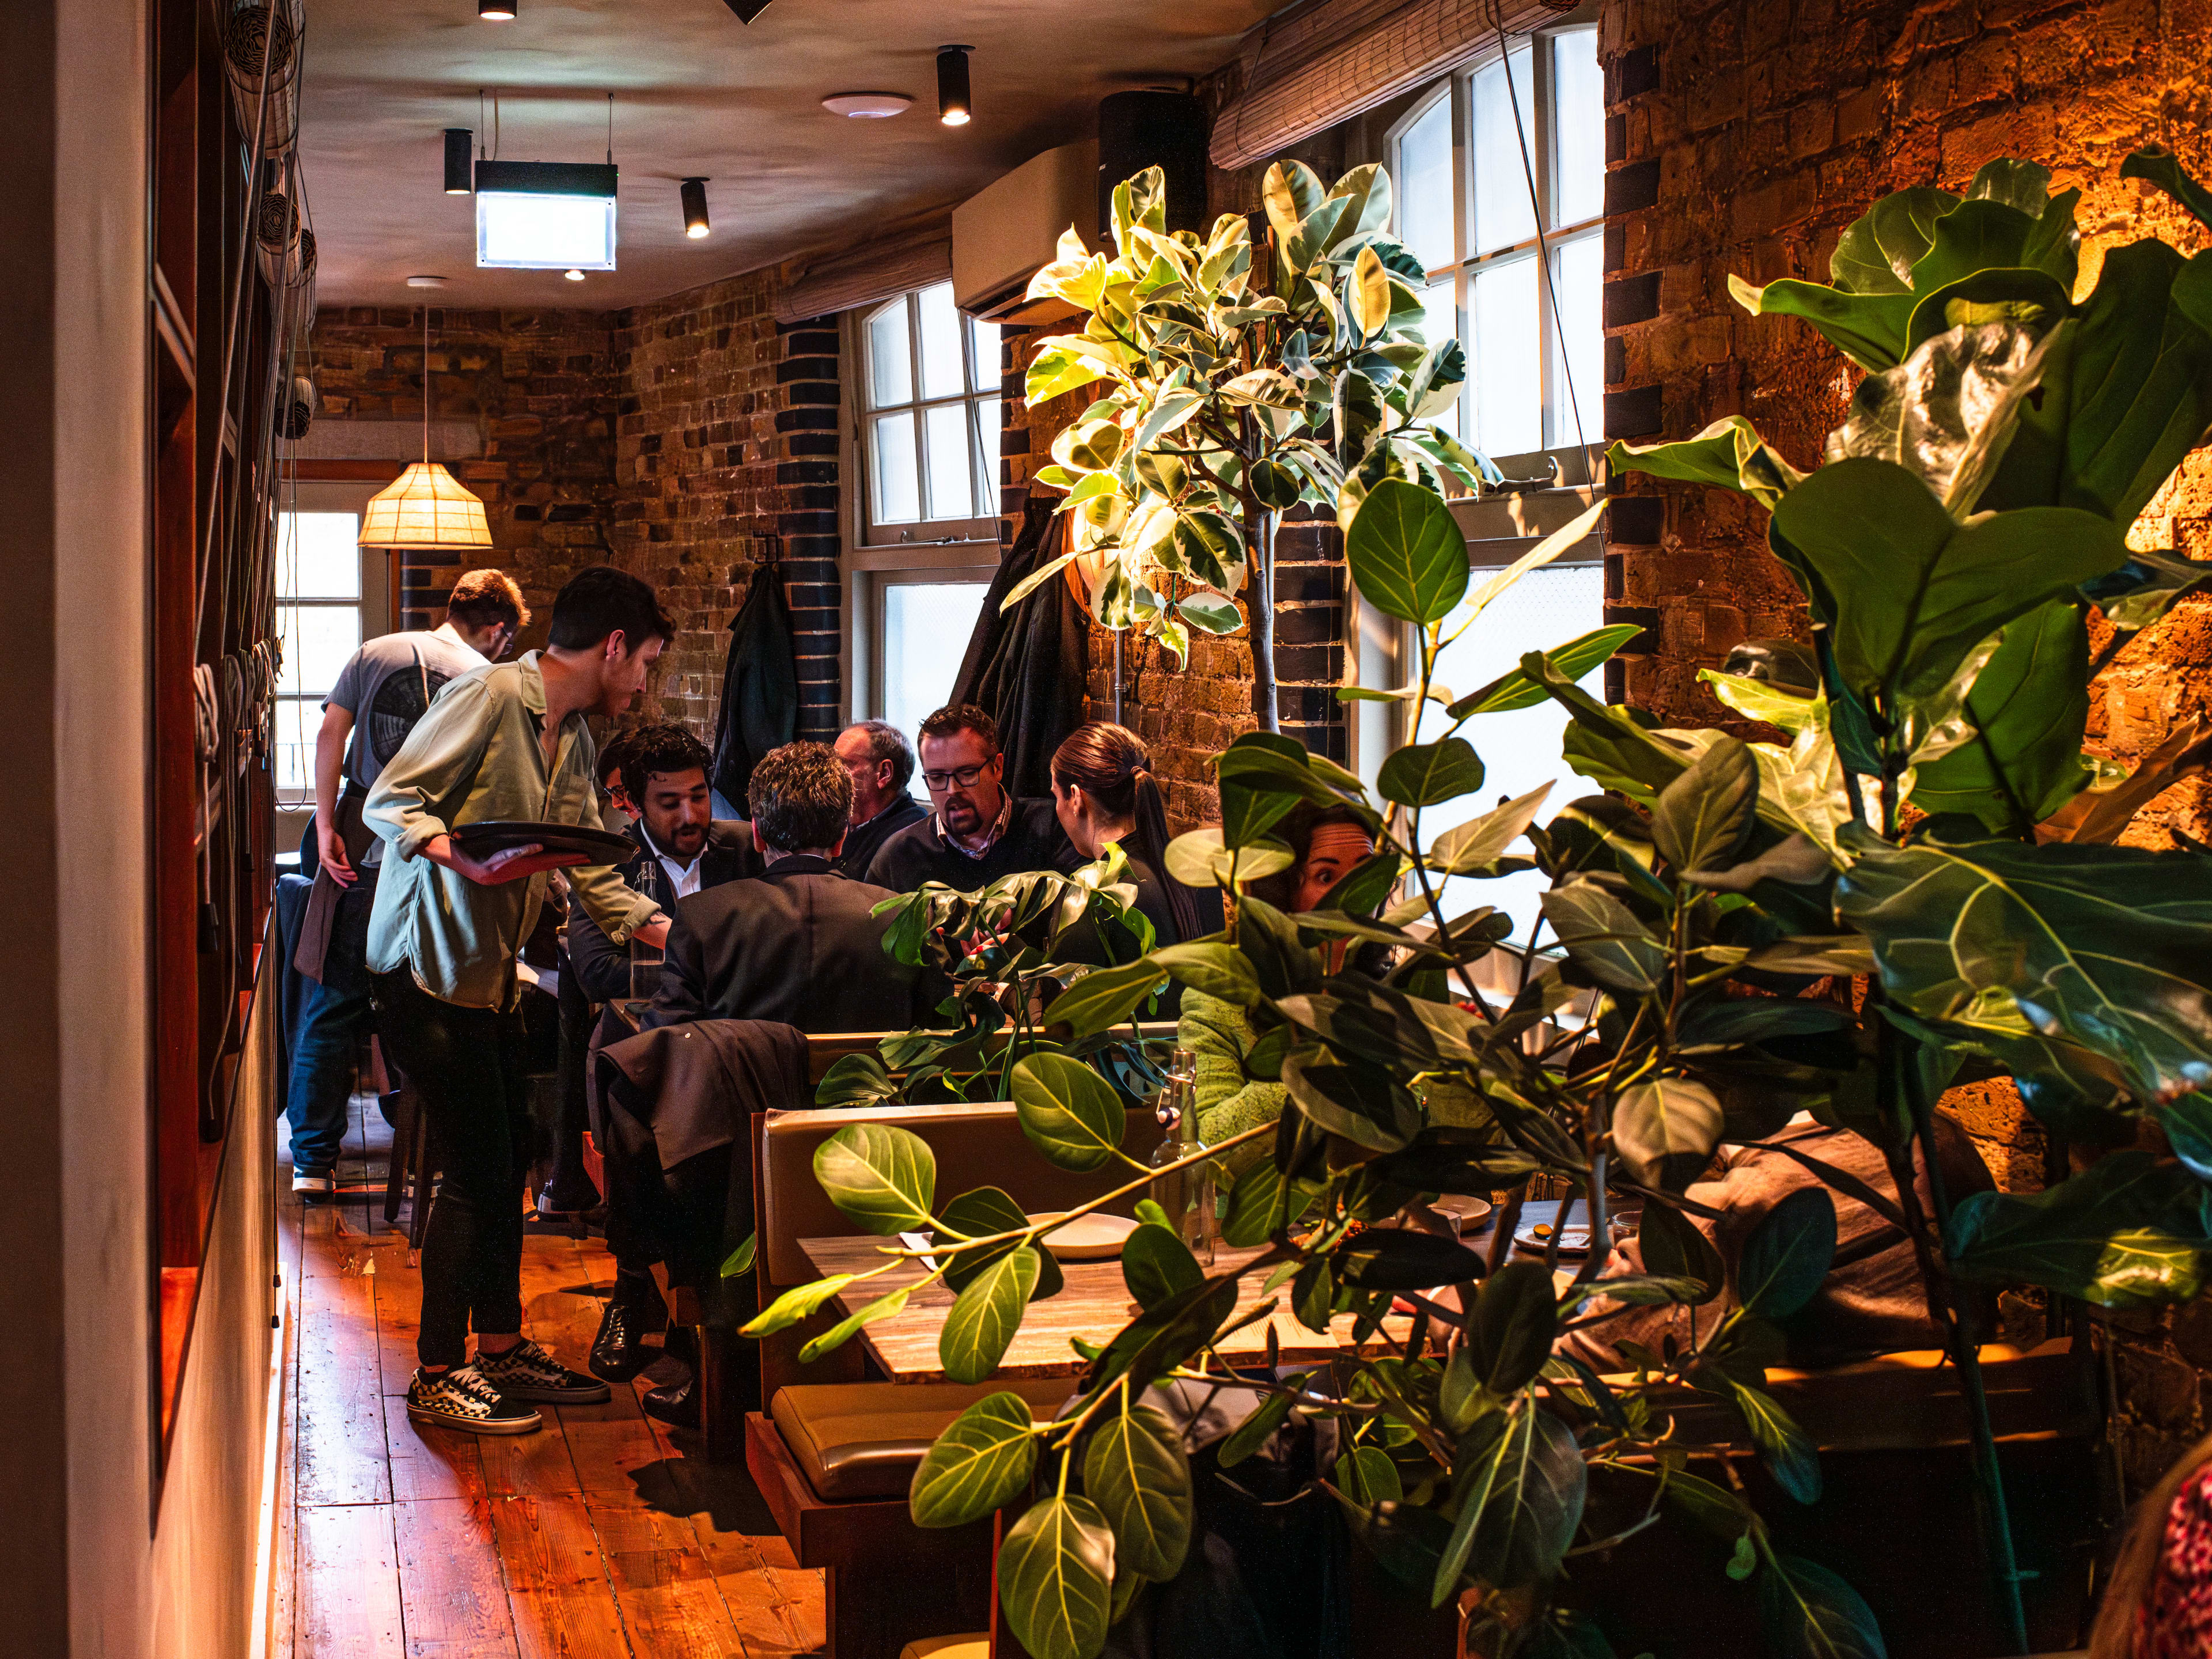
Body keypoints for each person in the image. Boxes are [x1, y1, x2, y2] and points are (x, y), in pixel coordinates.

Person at [364, 563, 677, 1436]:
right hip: (421, 971)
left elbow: (593, 867)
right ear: (613, 647)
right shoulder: (494, 696)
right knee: (474, 1171)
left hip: (488, 975)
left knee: (509, 1163)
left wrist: (685, 937)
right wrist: (454, 855)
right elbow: (392, 800)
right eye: (646, 660)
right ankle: (437, 1372)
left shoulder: (570, 737)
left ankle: (500, 1349)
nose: (645, 681)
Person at [285, 569, 527, 1199]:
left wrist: (325, 822)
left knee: (333, 1001)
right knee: (426, 999)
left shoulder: (376, 651)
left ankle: (312, 1161)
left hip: (357, 834)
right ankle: (443, 1156)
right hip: (431, 849)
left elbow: (330, 735)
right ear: (499, 629)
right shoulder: (485, 678)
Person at [563, 725, 763, 1381]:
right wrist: (713, 964)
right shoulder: (610, 863)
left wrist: (687, 970)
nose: (691, 816)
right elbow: (598, 972)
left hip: (734, 1040)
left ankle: (719, 1302)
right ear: (638, 805)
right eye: (671, 802)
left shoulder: (744, 849)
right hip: (644, 1046)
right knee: (631, 1119)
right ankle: (630, 1286)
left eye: (700, 797)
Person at [649, 740, 926, 1032]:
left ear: (756, 834)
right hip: (872, 1077)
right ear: (842, 836)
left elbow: (669, 1035)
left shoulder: (700, 915)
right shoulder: (907, 917)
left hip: (746, 1078)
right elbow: (939, 1038)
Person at [1181, 805, 1379, 1152]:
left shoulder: (1388, 994)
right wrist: (1314, 1072)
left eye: (1365, 877)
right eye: (1326, 877)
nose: (1352, 896)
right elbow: (1206, 1146)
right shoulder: (1221, 999)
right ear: (1284, 890)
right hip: (1273, 1204)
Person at [863, 703, 1079, 892]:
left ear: (997, 767)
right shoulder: (899, 855)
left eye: (967, 774)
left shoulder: (1054, 827)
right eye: (937, 777)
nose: (952, 790)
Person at [1049, 721, 1212, 950]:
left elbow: (1069, 983)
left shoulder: (1089, 897)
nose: (1057, 807)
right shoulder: (1195, 871)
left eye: (1056, 795)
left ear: (1075, 798)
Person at [832, 719, 927, 880]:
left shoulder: (909, 838)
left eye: (844, 764)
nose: (831, 773)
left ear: (884, 774)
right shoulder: (840, 820)